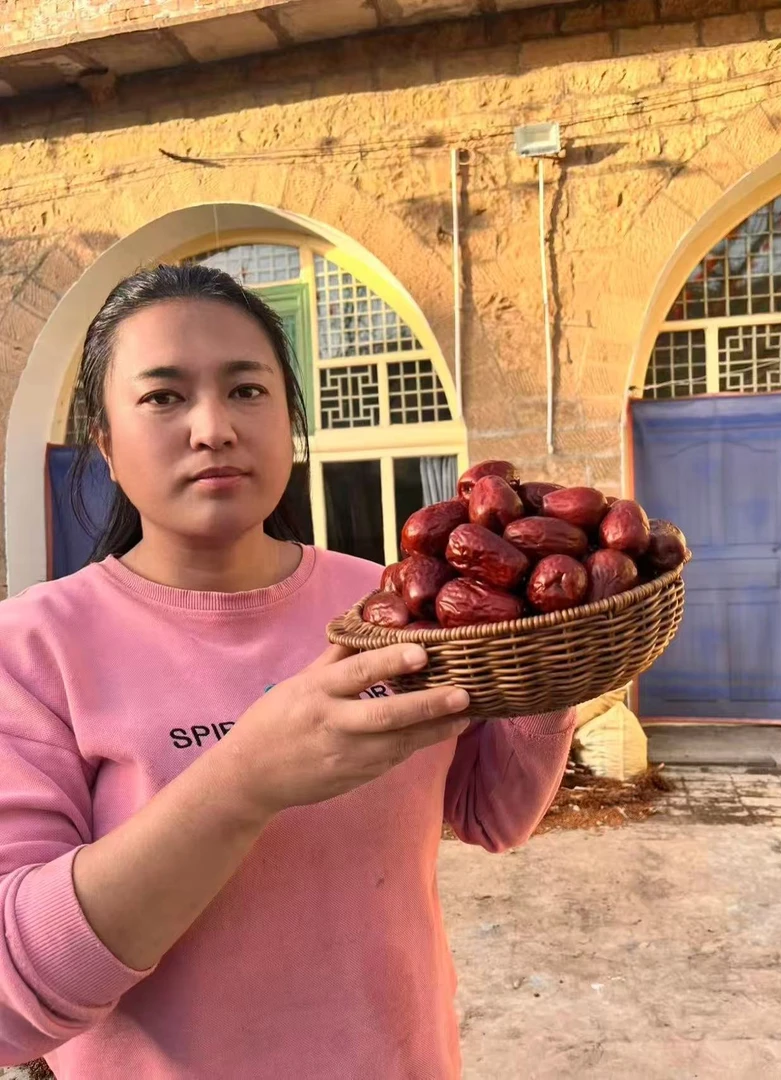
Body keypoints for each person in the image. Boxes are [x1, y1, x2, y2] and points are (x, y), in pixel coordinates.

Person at [0, 264, 575, 1079]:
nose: (213, 428)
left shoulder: (384, 600)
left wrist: (549, 669)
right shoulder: (32, 651)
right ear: (104, 442)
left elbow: (491, 814)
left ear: (289, 417)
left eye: (246, 390)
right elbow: (11, 1003)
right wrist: (243, 780)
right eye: (163, 397)